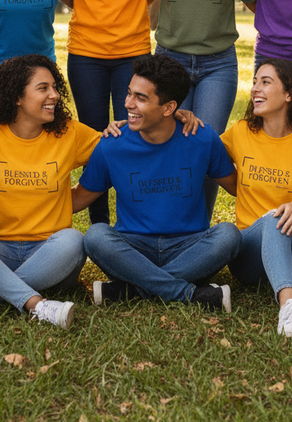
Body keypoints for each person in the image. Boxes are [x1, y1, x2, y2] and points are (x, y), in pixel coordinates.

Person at [0, 56, 96, 328]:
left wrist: (170, 120)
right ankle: (38, 304)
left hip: (50, 256)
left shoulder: (70, 133)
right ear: (17, 97)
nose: (55, 95)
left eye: (55, 87)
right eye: (43, 88)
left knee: (73, 240)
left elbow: (116, 155)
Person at [74, 54, 241, 311]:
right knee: (96, 236)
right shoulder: (112, 144)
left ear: (168, 107)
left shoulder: (202, 137)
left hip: (190, 247)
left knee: (228, 235)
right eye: (129, 93)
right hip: (133, 247)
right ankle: (187, 293)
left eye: (141, 98)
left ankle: (133, 290)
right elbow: (79, 199)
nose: (128, 103)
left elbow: (238, 187)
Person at [52, 0, 168, 225]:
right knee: (94, 137)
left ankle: (134, 220)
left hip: (133, 52)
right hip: (85, 51)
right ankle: (100, 224)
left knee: (134, 134)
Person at [148, 0, 259, 218]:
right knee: (168, 145)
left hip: (217, 66)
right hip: (169, 61)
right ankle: (166, 220)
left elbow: (260, 6)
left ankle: (198, 225)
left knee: (206, 145)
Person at [222, 59, 292, 336]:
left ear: (289, 94)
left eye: (265, 82)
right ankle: (289, 304)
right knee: (276, 216)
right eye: (255, 82)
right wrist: (183, 118)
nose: (255, 89)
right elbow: (204, 152)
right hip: (248, 255)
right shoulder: (241, 132)